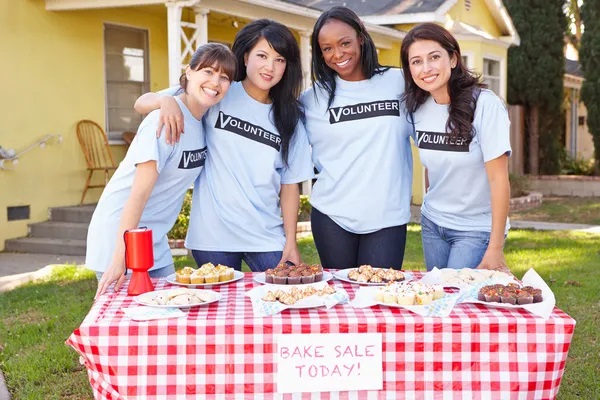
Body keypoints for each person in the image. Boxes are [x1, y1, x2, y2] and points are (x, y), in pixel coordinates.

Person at [134, 20, 314, 272]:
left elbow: (290, 184)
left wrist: (291, 242)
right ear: (245, 56)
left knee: (281, 302)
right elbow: (142, 103)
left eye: (280, 59)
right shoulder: (219, 89)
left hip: (265, 234)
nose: (269, 67)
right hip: (212, 234)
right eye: (262, 55)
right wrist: (166, 100)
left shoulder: (290, 117)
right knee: (219, 308)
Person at [90, 43, 237, 297]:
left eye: (224, 77)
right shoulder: (164, 122)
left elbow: (145, 100)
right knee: (125, 325)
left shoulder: (201, 115)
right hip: (121, 235)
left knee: (167, 314)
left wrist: (163, 99)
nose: (215, 82)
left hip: (153, 238)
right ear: (189, 72)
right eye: (208, 72)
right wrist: (119, 257)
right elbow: (137, 195)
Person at [300, 6, 413, 270]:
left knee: (380, 299)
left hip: (388, 217)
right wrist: (181, 100)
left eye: (344, 43)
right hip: (332, 216)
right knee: (342, 301)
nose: (337, 54)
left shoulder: (400, 83)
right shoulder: (311, 100)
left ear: (361, 38)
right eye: (327, 48)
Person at [400, 23, 512, 272]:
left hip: (475, 229)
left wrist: (495, 249)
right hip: (433, 223)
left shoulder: (486, 106)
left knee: (460, 303)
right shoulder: (417, 108)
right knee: (440, 298)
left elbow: (499, 179)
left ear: (453, 59)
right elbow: (433, 166)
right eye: (416, 61)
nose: (426, 68)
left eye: (434, 57)